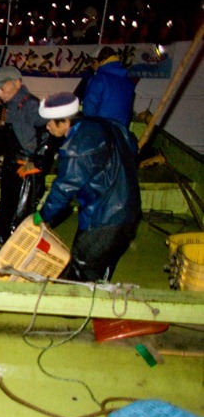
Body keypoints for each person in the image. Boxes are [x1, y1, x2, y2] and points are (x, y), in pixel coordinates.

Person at [35, 92, 141, 282]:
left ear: (65, 121)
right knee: (103, 268)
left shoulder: (77, 146)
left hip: (104, 219)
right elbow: (133, 147)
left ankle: (81, 300)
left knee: (82, 270)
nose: (47, 127)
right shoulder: (110, 125)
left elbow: (63, 189)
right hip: (129, 212)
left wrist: (43, 215)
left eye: (50, 122)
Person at [0, 66, 50, 244]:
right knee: (6, 208)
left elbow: (48, 133)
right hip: (12, 163)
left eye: (2, 88)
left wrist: (37, 162)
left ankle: (15, 248)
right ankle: (4, 243)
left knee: (20, 213)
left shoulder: (31, 105)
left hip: (26, 167)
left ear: (17, 83)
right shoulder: (12, 106)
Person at [82, 46, 136, 127]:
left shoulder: (99, 79)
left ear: (102, 61)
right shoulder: (128, 80)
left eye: (93, 62)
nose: (92, 66)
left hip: (102, 129)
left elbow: (89, 107)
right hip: (120, 130)